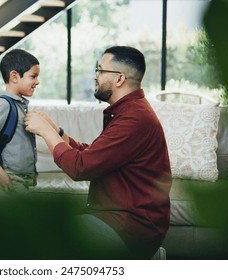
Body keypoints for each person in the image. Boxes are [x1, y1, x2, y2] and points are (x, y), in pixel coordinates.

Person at [25, 46, 171, 259]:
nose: (95, 76)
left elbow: (80, 167)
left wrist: (45, 131)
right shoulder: (128, 111)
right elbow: (94, 154)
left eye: (100, 70)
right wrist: (58, 132)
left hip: (128, 229)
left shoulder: (135, 118)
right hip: (112, 219)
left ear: (119, 79)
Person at [0, 49, 39, 202]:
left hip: (22, 180)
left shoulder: (19, 105)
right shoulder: (4, 105)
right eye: (33, 76)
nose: (37, 81)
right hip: (11, 179)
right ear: (14, 76)